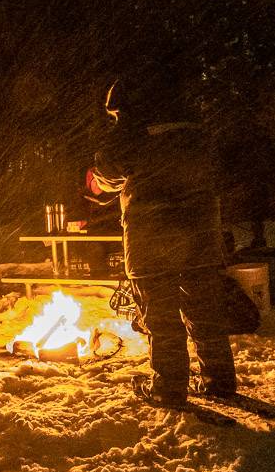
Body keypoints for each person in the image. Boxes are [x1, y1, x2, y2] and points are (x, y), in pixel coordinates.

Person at [88, 74, 238, 404]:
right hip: (200, 235)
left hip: (154, 240)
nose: (115, 120)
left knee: (163, 320)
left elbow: (104, 176)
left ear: (126, 108)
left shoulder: (131, 134)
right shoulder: (198, 133)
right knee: (205, 315)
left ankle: (169, 389)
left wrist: (98, 179)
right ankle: (220, 382)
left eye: (116, 114)